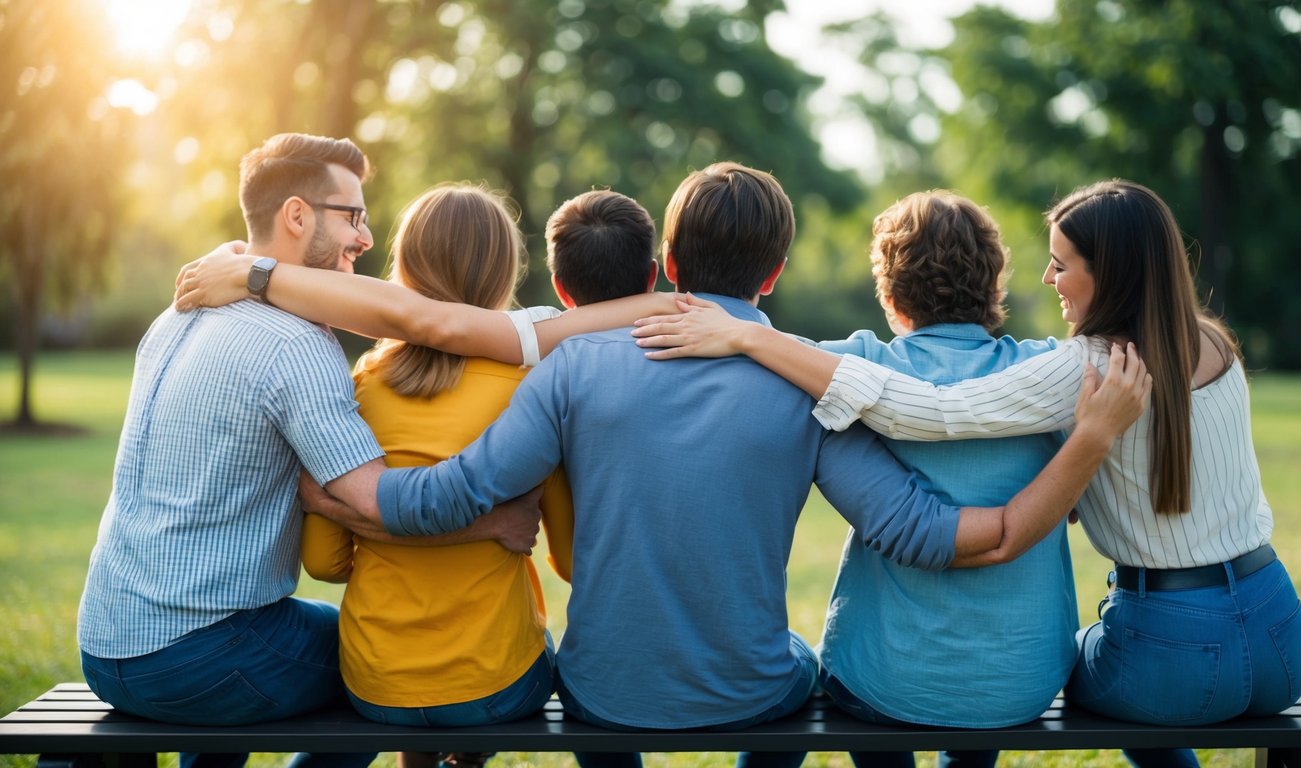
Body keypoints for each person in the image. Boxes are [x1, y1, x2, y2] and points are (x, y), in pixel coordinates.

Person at [297, 162, 1149, 768]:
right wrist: (1012, 517)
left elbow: (458, 494)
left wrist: (346, 499)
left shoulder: (573, 368)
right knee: (801, 670)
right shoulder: (802, 383)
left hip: (604, 691)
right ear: (775, 272)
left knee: (610, 679)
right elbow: (912, 529)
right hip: (749, 693)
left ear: (664, 265)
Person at [632, 180, 1301, 760]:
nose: (1049, 278)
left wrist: (747, 332)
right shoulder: (1212, 344)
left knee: (1105, 668)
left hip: (1155, 653)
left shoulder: (1080, 368)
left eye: (1061, 264)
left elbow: (934, 409)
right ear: (991, 285)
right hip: (1279, 630)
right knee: (1055, 661)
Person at [75, 133, 537, 768]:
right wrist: (496, 521)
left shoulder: (177, 314)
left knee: (302, 638)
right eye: (353, 216)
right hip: (197, 656)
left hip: (105, 642)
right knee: (380, 669)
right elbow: (376, 502)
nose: (367, 239)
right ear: (298, 215)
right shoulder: (297, 345)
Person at [300, 184, 631, 768]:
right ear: (503, 273)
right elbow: (571, 562)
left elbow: (325, 563)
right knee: (522, 674)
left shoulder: (360, 386)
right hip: (494, 686)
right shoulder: (533, 389)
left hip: (377, 681)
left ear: (404, 267)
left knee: (414, 706)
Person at [793, 191, 1078, 768]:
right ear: (994, 288)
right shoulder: (1048, 371)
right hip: (1018, 681)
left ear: (892, 299)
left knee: (860, 682)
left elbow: (769, 351)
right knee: (975, 721)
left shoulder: (859, 365)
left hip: (881, 677)